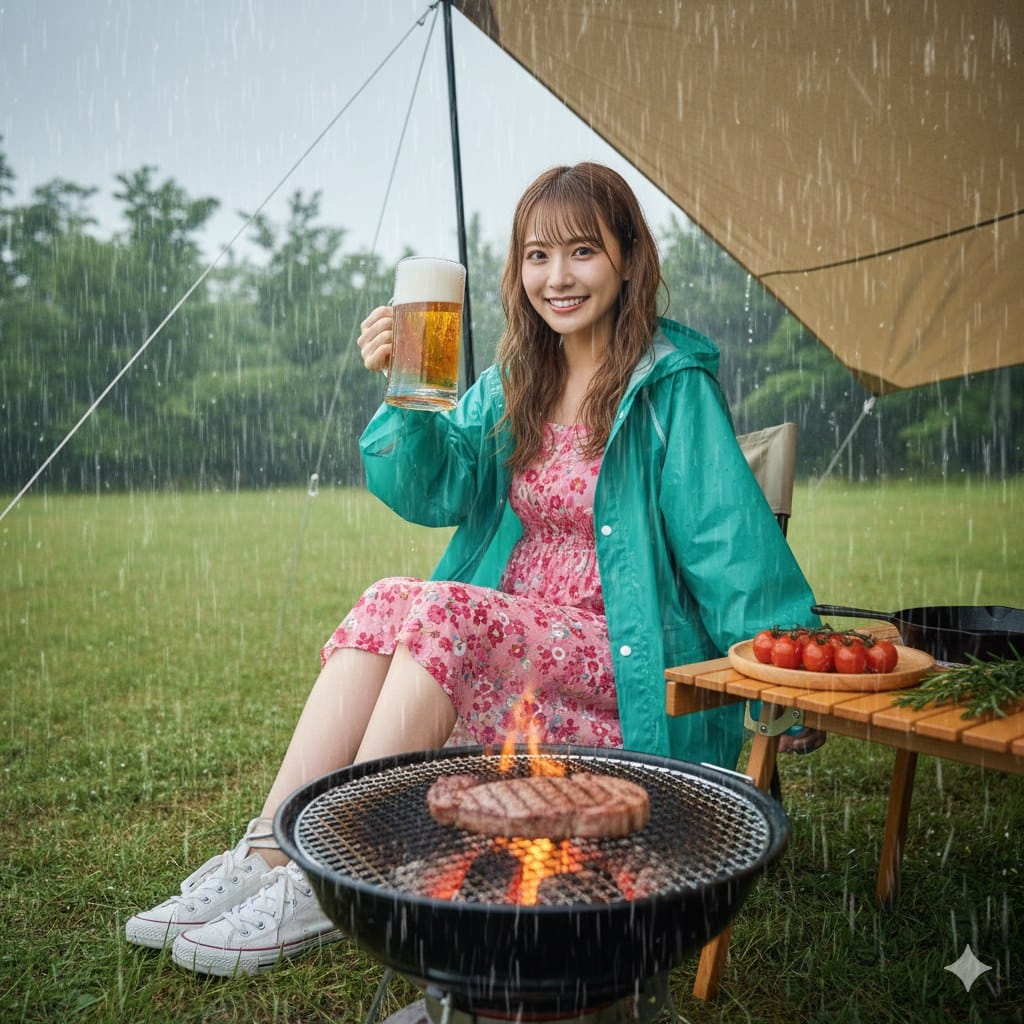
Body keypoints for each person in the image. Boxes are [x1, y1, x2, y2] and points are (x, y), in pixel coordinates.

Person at [125, 162, 819, 976]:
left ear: (629, 259)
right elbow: (436, 485)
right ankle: (272, 851)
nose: (556, 278)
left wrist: (786, 677)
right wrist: (406, 395)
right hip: (508, 649)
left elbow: (729, 543)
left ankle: (343, 862)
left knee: (453, 610)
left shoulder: (668, 389)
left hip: (623, 665)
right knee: (391, 596)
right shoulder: (520, 379)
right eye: (536, 256)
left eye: (582, 252)